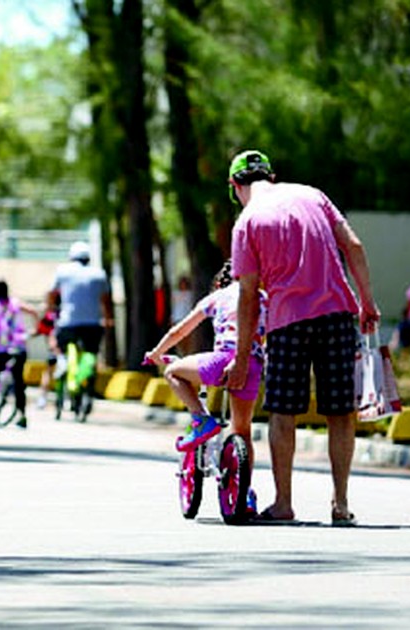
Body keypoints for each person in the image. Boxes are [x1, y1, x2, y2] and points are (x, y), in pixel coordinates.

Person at [223, 150, 379, 526]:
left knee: (283, 412)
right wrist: (367, 302)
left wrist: (242, 359)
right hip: (338, 314)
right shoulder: (312, 195)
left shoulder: (247, 222)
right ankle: (340, 504)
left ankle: (284, 503)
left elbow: (247, 296)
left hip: (287, 322)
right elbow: (353, 245)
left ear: (235, 187)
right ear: (271, 176)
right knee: (341, 412)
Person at [145, 261, 267, 463]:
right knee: (243, 431)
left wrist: (157, 353)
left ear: (221, 282)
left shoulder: (217, 297)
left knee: (172, 372)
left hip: (222, 361)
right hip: (251, 365)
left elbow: (180, 331)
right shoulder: (263, 298)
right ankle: (242, 490)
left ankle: (201, 419)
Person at [48, 241, 113, 412]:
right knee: (90, 355)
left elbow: (52, 293)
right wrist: (107, 319)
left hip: (68, 323)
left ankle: (63, 364)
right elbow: (105, 300)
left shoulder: (62, 271)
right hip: (92, 324)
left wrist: (51, 309)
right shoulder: (99, 274)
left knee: (62, 347)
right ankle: (87, 388)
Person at [0, 280, 40, 428]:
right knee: (19, 381)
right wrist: (35, 330)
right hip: (19, 346)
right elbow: (34, 311)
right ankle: (22, 416)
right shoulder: (15, 302)